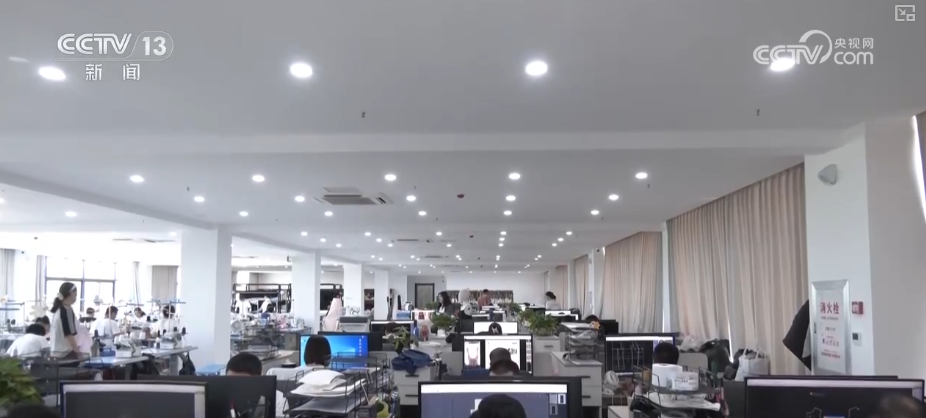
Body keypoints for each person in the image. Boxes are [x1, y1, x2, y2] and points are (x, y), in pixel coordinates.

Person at [49, 282, 80, 357]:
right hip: (65, 354)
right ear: (71, 293)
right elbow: (69, 335)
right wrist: (78, 353)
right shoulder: (67, 309)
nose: (76, 298)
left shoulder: (58, 309)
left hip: (55, 353)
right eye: (75, 295)